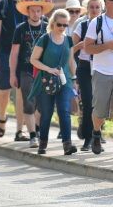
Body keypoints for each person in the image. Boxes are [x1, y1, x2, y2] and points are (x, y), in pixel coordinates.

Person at [84, 0, 113, 158]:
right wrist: (106, 45)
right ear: (107, 2)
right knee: (99, 110)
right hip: (101, 72)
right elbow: (87, 47)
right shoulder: (97, 22)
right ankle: (96, 133)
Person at [29, 9, 78, 155]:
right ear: (53, 23)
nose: (62, 28)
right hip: (46, 80)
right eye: (59, 25)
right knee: (47, 113)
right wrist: (49, 69)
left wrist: (74, 79)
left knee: (64, 111)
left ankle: (67, 144)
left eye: (65, 25)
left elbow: (71, 61)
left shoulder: (68, 40)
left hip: (64, 81)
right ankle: (42, 142)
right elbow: (33, 59)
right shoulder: (44, 39)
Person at [10, 0, 53, 148]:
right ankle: (33, 136)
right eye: (33, 11)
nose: (35, 14)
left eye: (38, 11)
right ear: (28, 12)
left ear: (42, 11)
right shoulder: (20, 29)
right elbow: (14, 53)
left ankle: (38, 129)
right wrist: (12, 74)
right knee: (29, 102)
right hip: (25, 69)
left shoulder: (48, 26)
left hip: (44, 70)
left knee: (43, 105)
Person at [0, 0, 29, 140]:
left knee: (21, 92)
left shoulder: (30, 4)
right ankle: (2, 116)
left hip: (25, 54)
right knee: (4, 90)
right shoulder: (3, 5)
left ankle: (20, 131)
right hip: (6, 52)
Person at [72, 0, 103, 150]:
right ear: (87, 8)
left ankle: (97, 133)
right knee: (88, 101)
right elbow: (71, 47)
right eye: (91, 7)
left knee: (100, 102)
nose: (94, 10)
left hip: (101, 66)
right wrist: (83, 44)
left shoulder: (105, 24)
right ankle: (87, 137)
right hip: (85, 66)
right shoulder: (82, 25)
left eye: (97, 7)